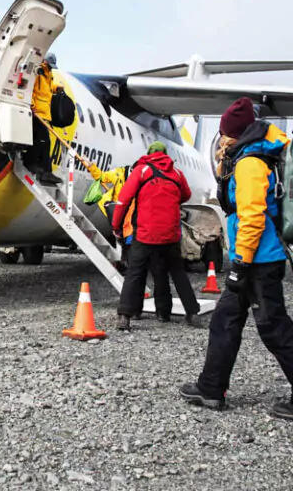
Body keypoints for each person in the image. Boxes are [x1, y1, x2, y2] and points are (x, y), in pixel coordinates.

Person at [181, 97, 293, 419]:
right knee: (225, 319)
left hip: (258, 260)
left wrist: (240, 263)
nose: (221, 141)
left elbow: (253, 216)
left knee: (273, 326)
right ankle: (210, 388)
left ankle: (211, 388)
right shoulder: (246, 158)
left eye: (225, 134)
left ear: (234, 134)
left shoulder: (249, 163)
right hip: (254, 257)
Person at [112, 141, 200, 330]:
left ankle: (126, 316)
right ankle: (191, 313)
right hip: (170, 234)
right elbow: (186, 195)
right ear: (165, 154)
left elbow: (123, 200)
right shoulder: (176, 173)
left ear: (149, 153)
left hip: (145, 233)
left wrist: (116, 225)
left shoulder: (142, 170)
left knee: (135, 272)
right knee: (176, 273)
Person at [25, 52, 63, 186]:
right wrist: (32, 106)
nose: (51, 67)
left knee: (44, 142)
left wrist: (56, 88)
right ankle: (35, 166)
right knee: (42, 141)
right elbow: (30, 90)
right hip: (37, 113)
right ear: (45, 62)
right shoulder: (38, 72)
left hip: (45, 113)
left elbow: (47, 89)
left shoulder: (48, 75)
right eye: (50, 64)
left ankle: (44, 170)